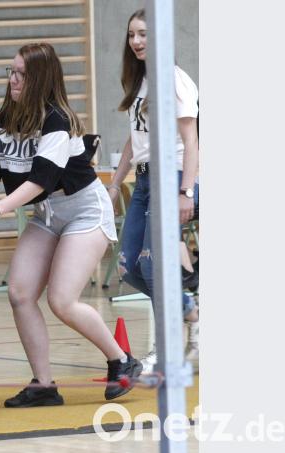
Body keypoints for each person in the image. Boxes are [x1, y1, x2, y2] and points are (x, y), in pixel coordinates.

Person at [0, 43, 140, 408]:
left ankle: (121, 360)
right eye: (10, 72)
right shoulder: (3, 122)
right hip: (47, 215)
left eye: (21, 74)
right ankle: (43, 385)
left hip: (84, 212)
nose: (12, 79)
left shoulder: (56, 121)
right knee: (20, 293)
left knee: (62, 300)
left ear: (39, 78)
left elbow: (41, 180)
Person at [106, 8, 200, 373]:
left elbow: (191, 142)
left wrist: (185, 192)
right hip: (144, 180)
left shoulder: (174, 81)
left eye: (143, 34)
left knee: (153, 266)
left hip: (173, 176)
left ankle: (167, 350)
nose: (136, 41)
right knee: (130, 266)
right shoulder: (140, 82)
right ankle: (189, 308)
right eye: (132, 35)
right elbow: (135, 140)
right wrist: (115, 182)